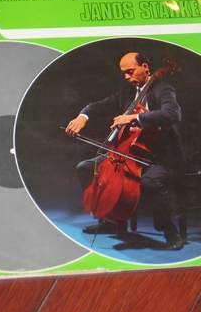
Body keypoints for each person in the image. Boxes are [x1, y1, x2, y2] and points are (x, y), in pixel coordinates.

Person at [65, 52, 186, 250]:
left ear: (145, 67)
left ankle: (171, 233)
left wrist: (133, 118)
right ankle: (109, 219)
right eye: (124, 73)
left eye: (130, 71)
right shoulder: (127, 92)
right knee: (85, 167)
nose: (127, 77)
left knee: (150, 182)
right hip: (128, 154)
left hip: (161, 157)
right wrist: (82, 117)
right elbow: (98, 106)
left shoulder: (163, 89)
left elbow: (172, 114)